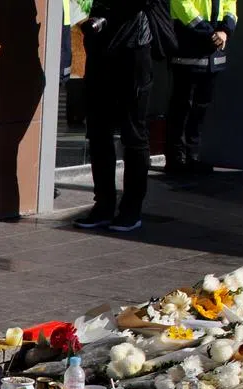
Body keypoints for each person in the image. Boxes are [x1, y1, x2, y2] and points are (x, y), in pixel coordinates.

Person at [74, 0, 154, 233]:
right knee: (99, 132)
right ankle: (103, 205)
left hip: (134, 49)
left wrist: (109, 10)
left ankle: (131, 209)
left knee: (134, 134)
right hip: (101, 48)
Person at [166, 0, 238, 174]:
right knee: (182, 105)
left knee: (201, 106)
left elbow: (230, 5)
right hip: (189, 45)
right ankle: (177, 158)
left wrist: (225, 30)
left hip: (213, 50)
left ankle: (192, 156)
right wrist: (211, 32)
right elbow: (181, 6)